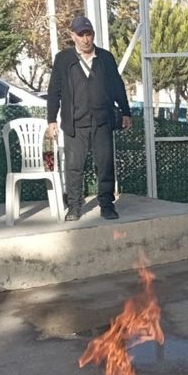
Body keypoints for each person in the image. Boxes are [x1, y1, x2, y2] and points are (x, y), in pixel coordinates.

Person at [47, 16, 131, 221]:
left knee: (105, 165)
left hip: (102, 121)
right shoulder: (63, 59)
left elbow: (117, 86)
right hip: (75, 123)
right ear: (72, 36)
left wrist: (126, 112)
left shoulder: (105, 58)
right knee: (74, 167)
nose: (86, 39)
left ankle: (107, 205)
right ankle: (74, 207)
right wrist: (51, 119)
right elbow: (54, 91)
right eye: (81, 35)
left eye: (89, 34)